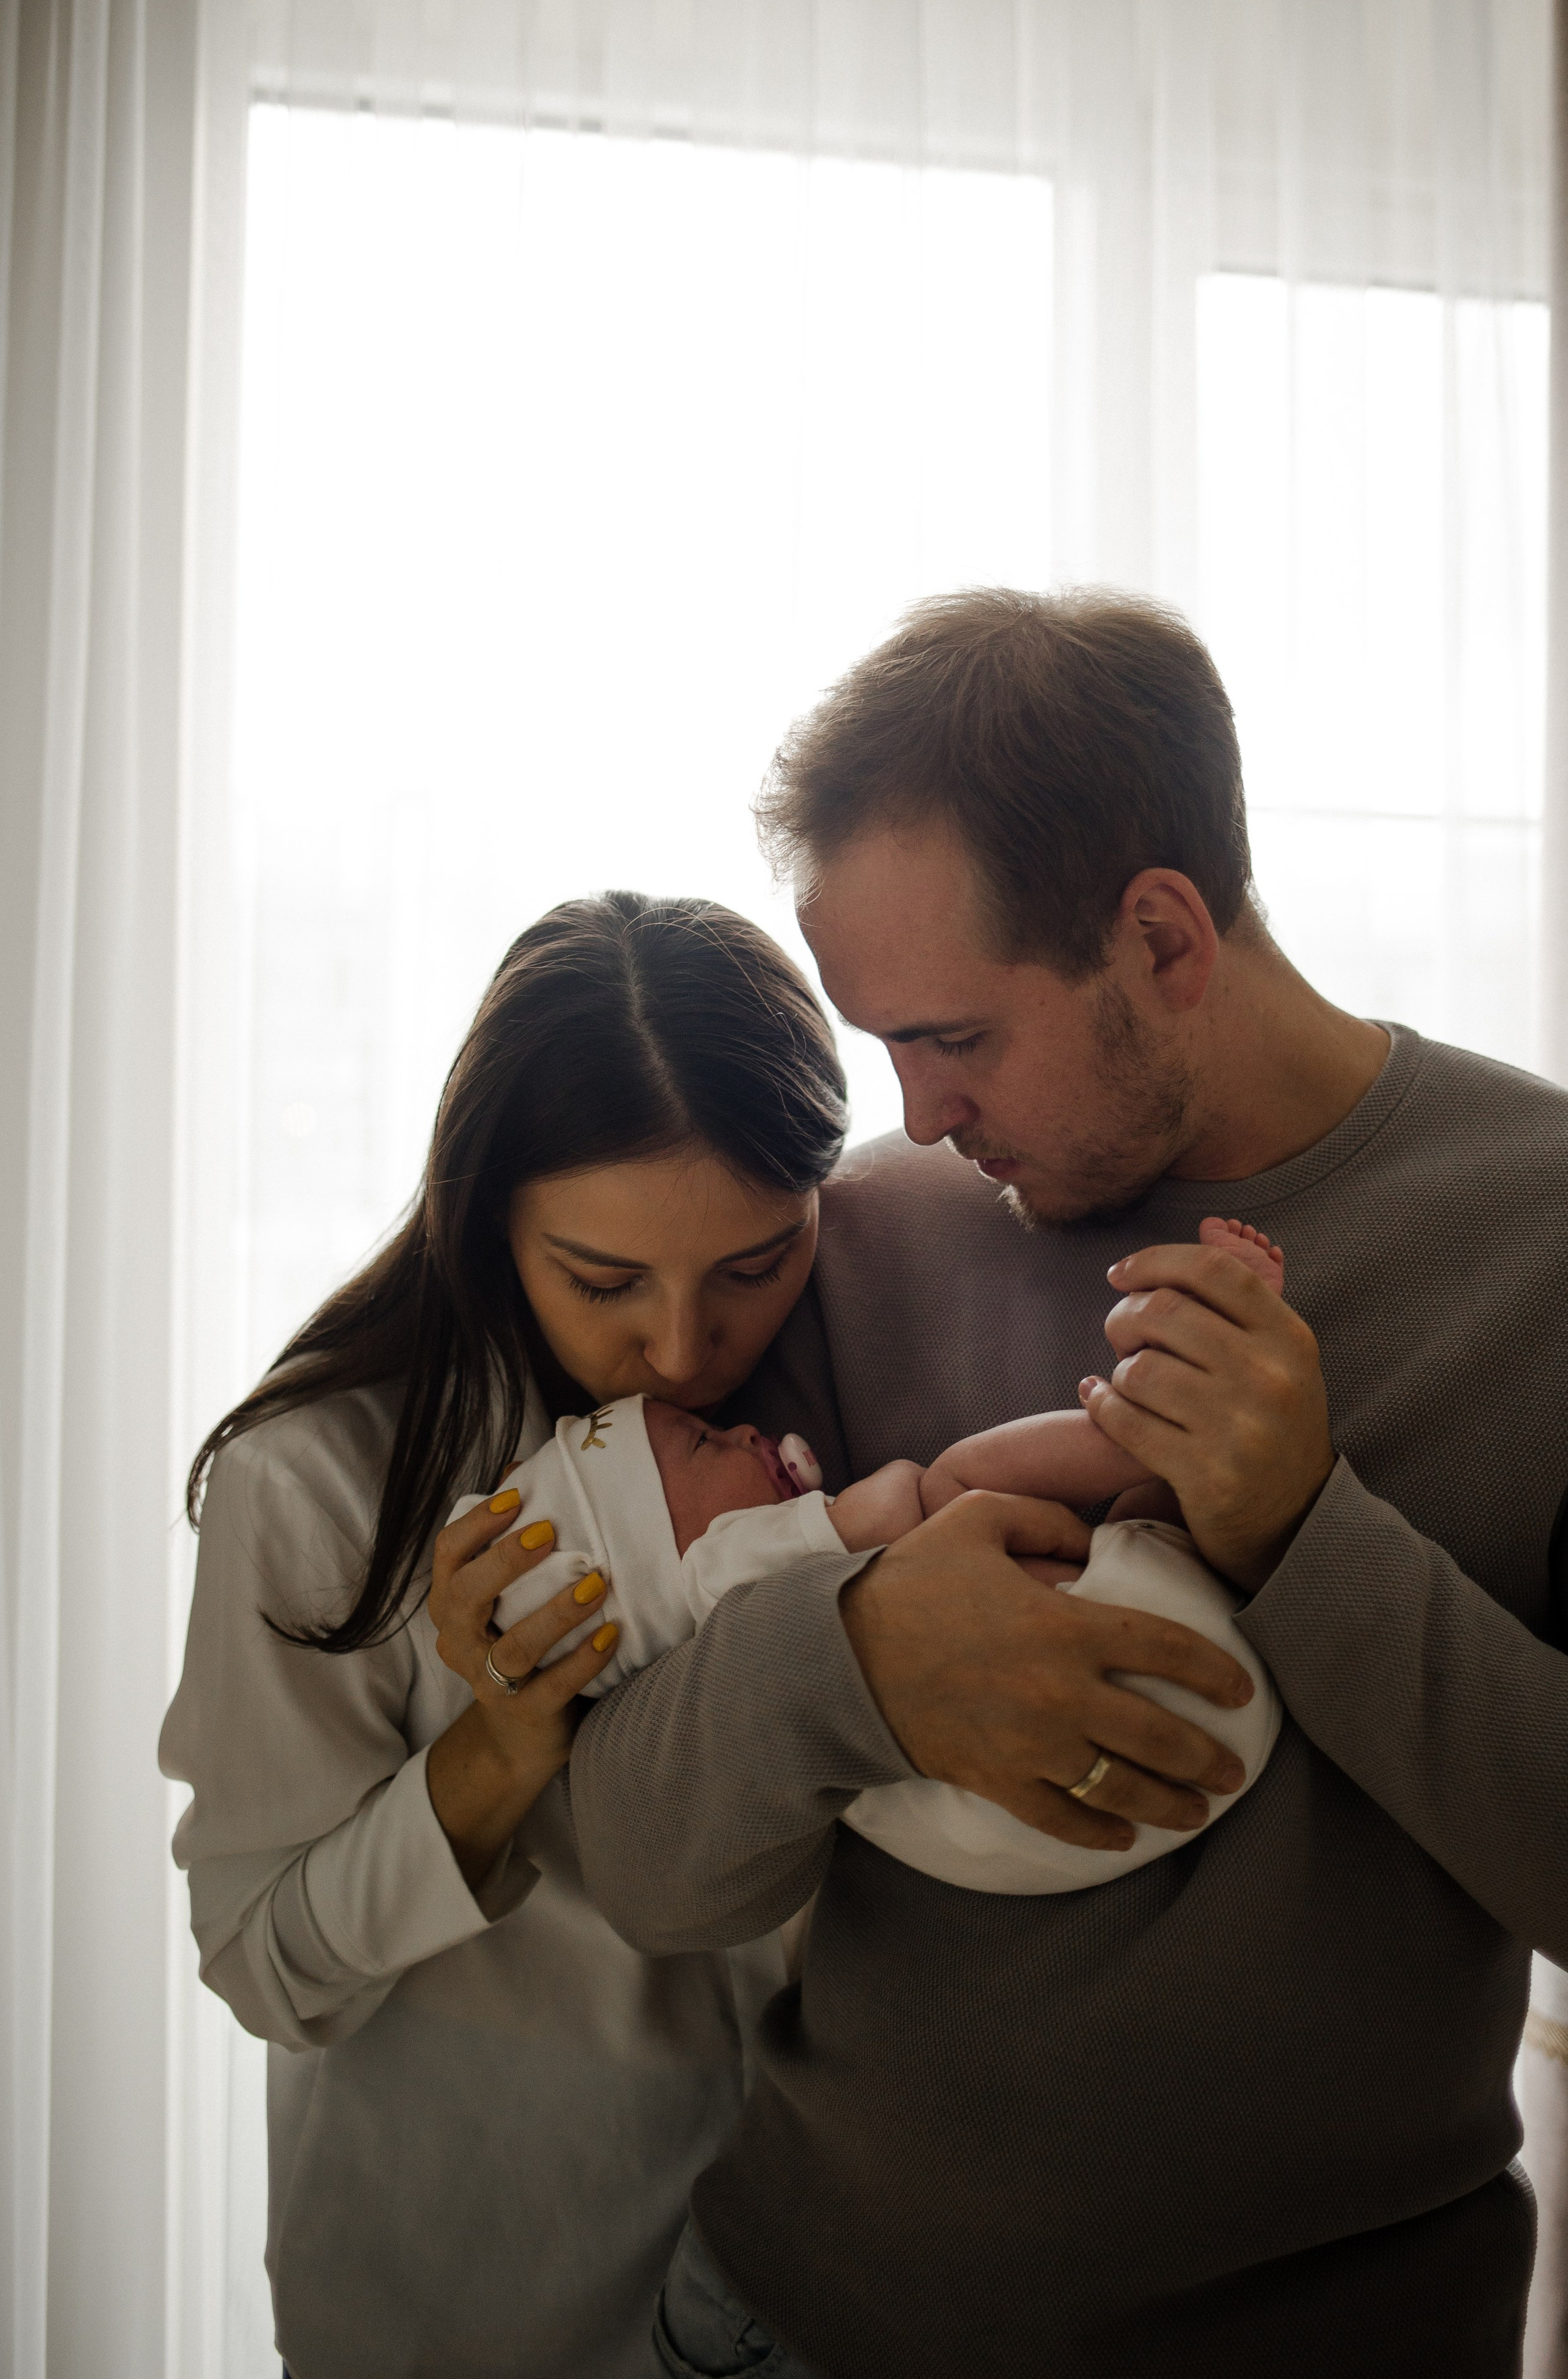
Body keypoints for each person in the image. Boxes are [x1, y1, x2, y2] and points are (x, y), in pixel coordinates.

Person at [567, 589, 1568, 2379]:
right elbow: (637, 1856)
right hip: (789, 2321)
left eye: (951, 1037)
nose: (916, 1114)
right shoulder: (863, 1235)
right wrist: (859, 1658)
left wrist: (1308, 1542)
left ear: (1167, 940)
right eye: (884, 1046)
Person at [164, 894, 900, 2379]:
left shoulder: (837, 1416)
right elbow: (263, 1971)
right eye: (605, 1279)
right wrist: (496, 1753)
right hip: (463, 2276)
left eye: (753, 1264)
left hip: (810, 2268)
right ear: (486, 1213)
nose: (688, 1348)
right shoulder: (317, 1487)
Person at [462, 1225, 1284, 1894]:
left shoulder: (691, 1698)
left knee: (1131, 1529)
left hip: (1064, 1828)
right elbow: (892, 1507)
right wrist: (879, 1500)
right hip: (1159, 1694)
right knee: (954, 1485)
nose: (744, 1429)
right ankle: (1154, 1418)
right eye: (704, 1445)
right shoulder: (717, 1571)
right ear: (659, 1553)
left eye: (753, 1265)